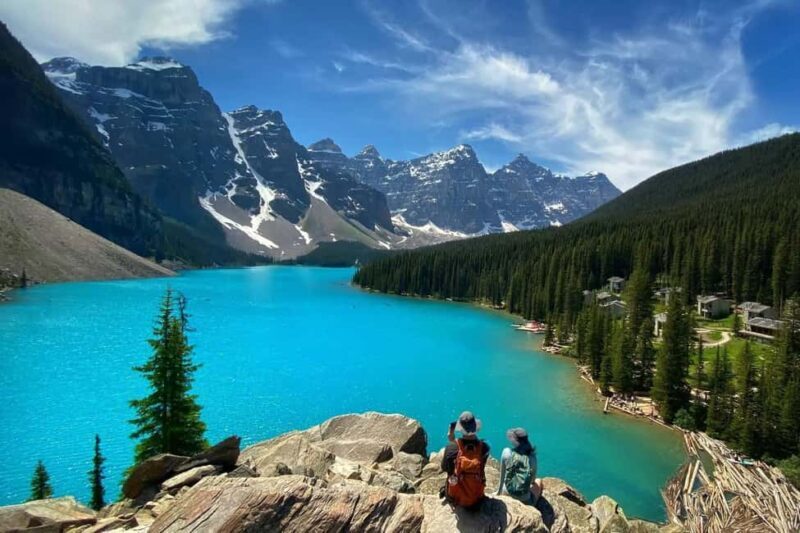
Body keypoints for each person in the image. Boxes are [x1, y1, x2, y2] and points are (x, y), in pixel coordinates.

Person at [441, 411, 491, 508]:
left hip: (456, 495)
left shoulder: (452, 447)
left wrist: (451, 440)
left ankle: (451, 494)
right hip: (477, 496)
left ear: (460, 429)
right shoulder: (485, 447)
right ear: (475, 427)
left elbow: (444, 467)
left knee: (449, 476)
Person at [496, 427, 543, 504]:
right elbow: (532, 481)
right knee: (539, 481)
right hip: (524, 500)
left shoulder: (506, 452)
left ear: (515, 441)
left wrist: (499, 492)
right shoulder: (532, 457)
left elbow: (502, 476)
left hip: (506, 492)